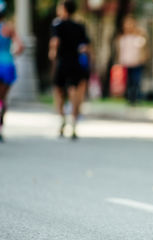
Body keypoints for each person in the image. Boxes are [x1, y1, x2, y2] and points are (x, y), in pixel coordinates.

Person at [49, 0, 90, 140]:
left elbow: (55, 42)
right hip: (75, 62)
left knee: (58, 90)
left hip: (62, 62)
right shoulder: (80, 25)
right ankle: (73, 121)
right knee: (74, 91)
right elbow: (86, 46)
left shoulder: (57, 24)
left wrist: (52, 54)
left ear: (64, 9)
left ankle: (62, 119)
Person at [0, 0, 23, 142]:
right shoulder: (9, 28)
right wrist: (12, 54)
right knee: (3, 99)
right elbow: (21, 46)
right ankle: (0, 128)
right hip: (7, 64)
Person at [116, 16, 148, 105]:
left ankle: (136, 98)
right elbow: (120, 50)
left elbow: (143, 48)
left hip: (137, 62)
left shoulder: (138, 36)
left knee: (136, 81)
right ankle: (130, 99)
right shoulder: (121, 37)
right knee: (129, 81)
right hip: (126, 62)